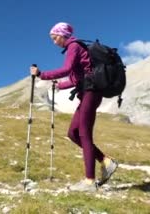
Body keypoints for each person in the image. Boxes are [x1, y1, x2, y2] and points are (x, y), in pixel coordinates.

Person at [30, 22, 118, 192]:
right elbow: (77, 78)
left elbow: (66, 69)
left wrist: (42, 75)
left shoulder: (73, 46)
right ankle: (106, 162)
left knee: (84, 133)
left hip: (91, 92)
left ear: (63, 35)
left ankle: (89, 181)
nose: (54, 42)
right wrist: (60, 86)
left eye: (55, 38)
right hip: (87, 92)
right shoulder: (76, 48)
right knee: (73, 133)